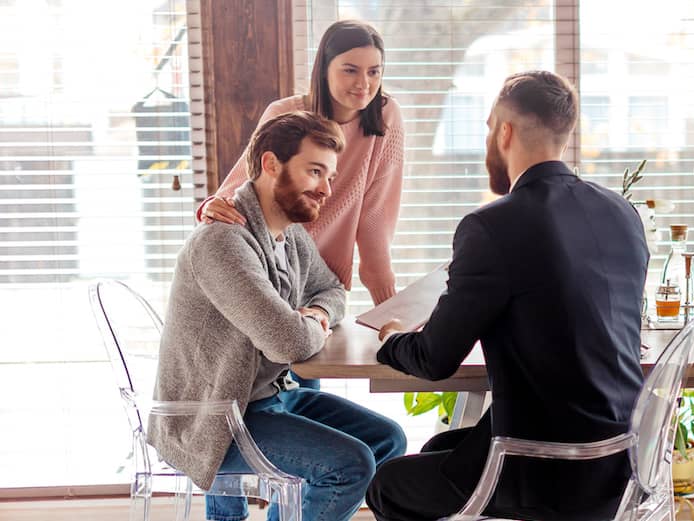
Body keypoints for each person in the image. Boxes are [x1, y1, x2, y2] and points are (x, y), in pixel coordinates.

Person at [365, 71, 649, 521]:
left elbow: (434, 359)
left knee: (388, 487)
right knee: (441, 447)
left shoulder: (491, 227)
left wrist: (391, 337)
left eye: (488, 128)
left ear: (505, 131)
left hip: (543, 468)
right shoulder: (622, 212)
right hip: (621, 464)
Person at [150, 111, 406, 521]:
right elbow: (288, 342)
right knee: (350, 465)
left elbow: (333, 290)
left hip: (270, 398)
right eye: (315, 172)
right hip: (216, 418)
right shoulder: (223, 243)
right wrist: (312, 324)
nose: (326, 188)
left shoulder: (288, 234)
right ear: (271, 165)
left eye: (329, 175)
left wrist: (316, 312)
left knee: (387, 439)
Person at [198, 19, 404, 306]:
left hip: (323, 284)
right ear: (324, 69)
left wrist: (388, 306)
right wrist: (213, 205)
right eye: (350, 70)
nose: (363, 84)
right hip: (270, 268)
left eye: (374, 72)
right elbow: (244, 183)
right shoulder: (285, 113)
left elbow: (375, 218)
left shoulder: (386, 116)